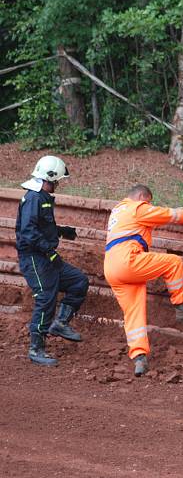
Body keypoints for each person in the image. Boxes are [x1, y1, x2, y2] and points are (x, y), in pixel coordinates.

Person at [103, 184, 183, 377]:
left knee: (133, 313)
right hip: (127, 261)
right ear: (142, 197)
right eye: (149, 201)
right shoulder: (138, 208)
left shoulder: (118, 211)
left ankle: (139, 358)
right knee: (173, 262)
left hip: (111, 268)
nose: (149, 204)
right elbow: (170, 215)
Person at [15, 155, 89, 367]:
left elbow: (40, 227)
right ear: (48, 177)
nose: (57, 184)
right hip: (35, 259)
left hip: (46, 257)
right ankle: (36, 348)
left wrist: (61, 231)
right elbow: (28, 233)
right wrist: (50, 252)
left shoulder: (42, 198)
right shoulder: (33, 198)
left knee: (79, 282)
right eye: (56, 180)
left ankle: (60, 323)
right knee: (46, 298)